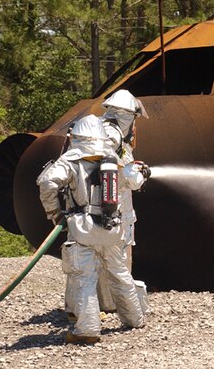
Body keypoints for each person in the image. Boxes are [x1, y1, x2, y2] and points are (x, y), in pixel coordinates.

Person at [37, 114, 146, 344]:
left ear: (77, 137)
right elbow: (132, 181)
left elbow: (47, 183)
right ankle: (134, 319)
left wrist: (55, 214)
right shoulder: (113, 159)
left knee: (84, 277)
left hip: (83, 229)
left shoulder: (71, 160)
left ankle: (87, 330)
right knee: (119, 273)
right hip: (112, 227)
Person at [63, 90, 150, 318]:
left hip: (81, 214)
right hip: (116, 217)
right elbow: (129, 180)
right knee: (118, 266)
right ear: (129, 116)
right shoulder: (115, 143)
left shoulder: (89, 137)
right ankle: (119, 310)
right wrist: (142, 173)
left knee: (80, 265)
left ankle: (78, 311)